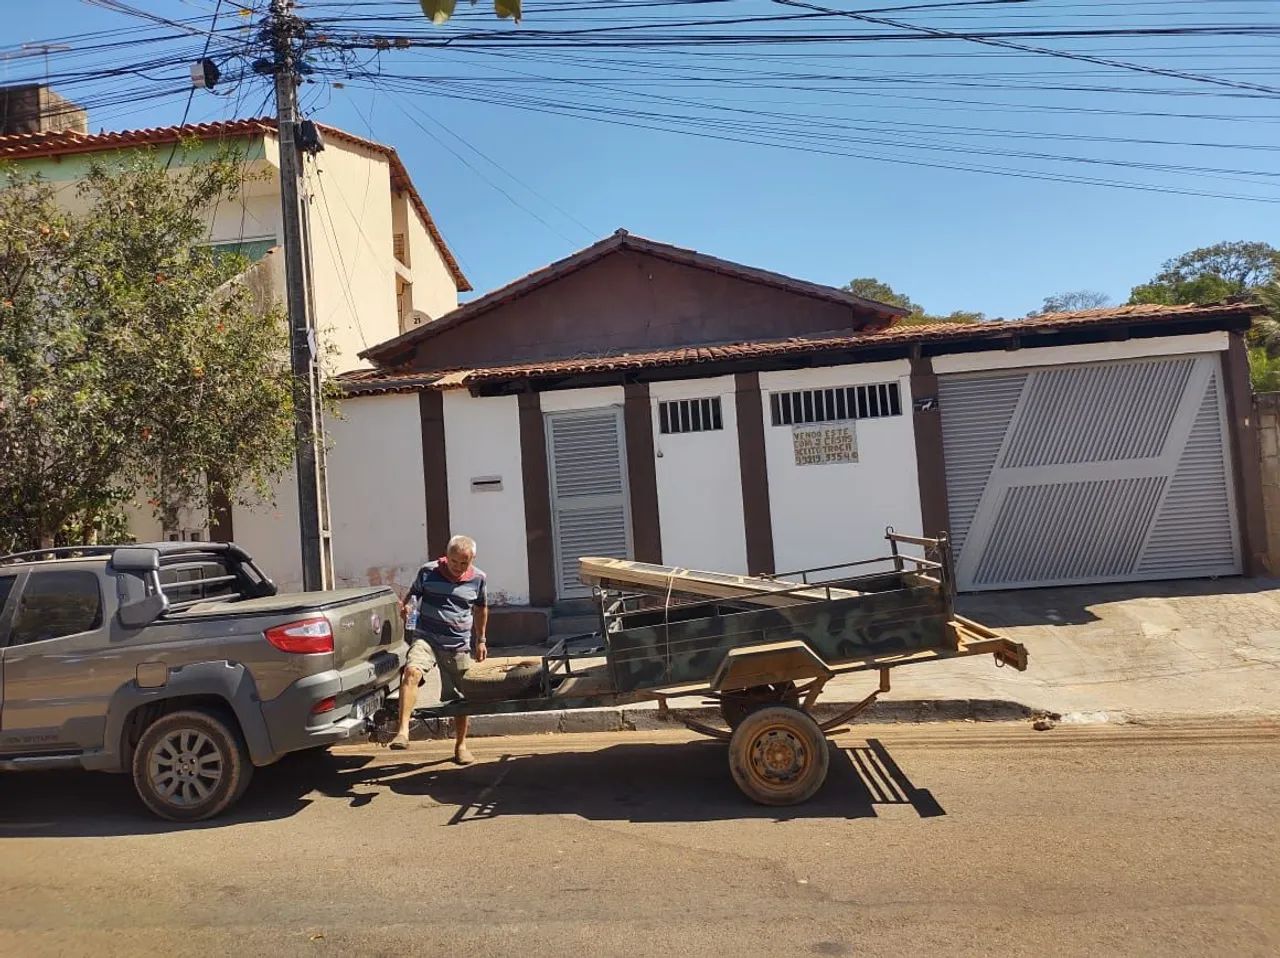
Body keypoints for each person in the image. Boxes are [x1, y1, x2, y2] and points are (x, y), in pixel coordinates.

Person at [389, 534, 489, 764]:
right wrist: (407, 609)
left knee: (460, 698)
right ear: (447, 556)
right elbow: (412, 597)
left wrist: (481, 639)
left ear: (472, 559)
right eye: (454, 561)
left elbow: (481, 609)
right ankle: (403, 731)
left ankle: (461, 745)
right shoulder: (428, 572)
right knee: (412, 671)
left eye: (464, 563)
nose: (458, 567)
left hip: (457, 644)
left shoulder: (479, 578)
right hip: (426, 637)